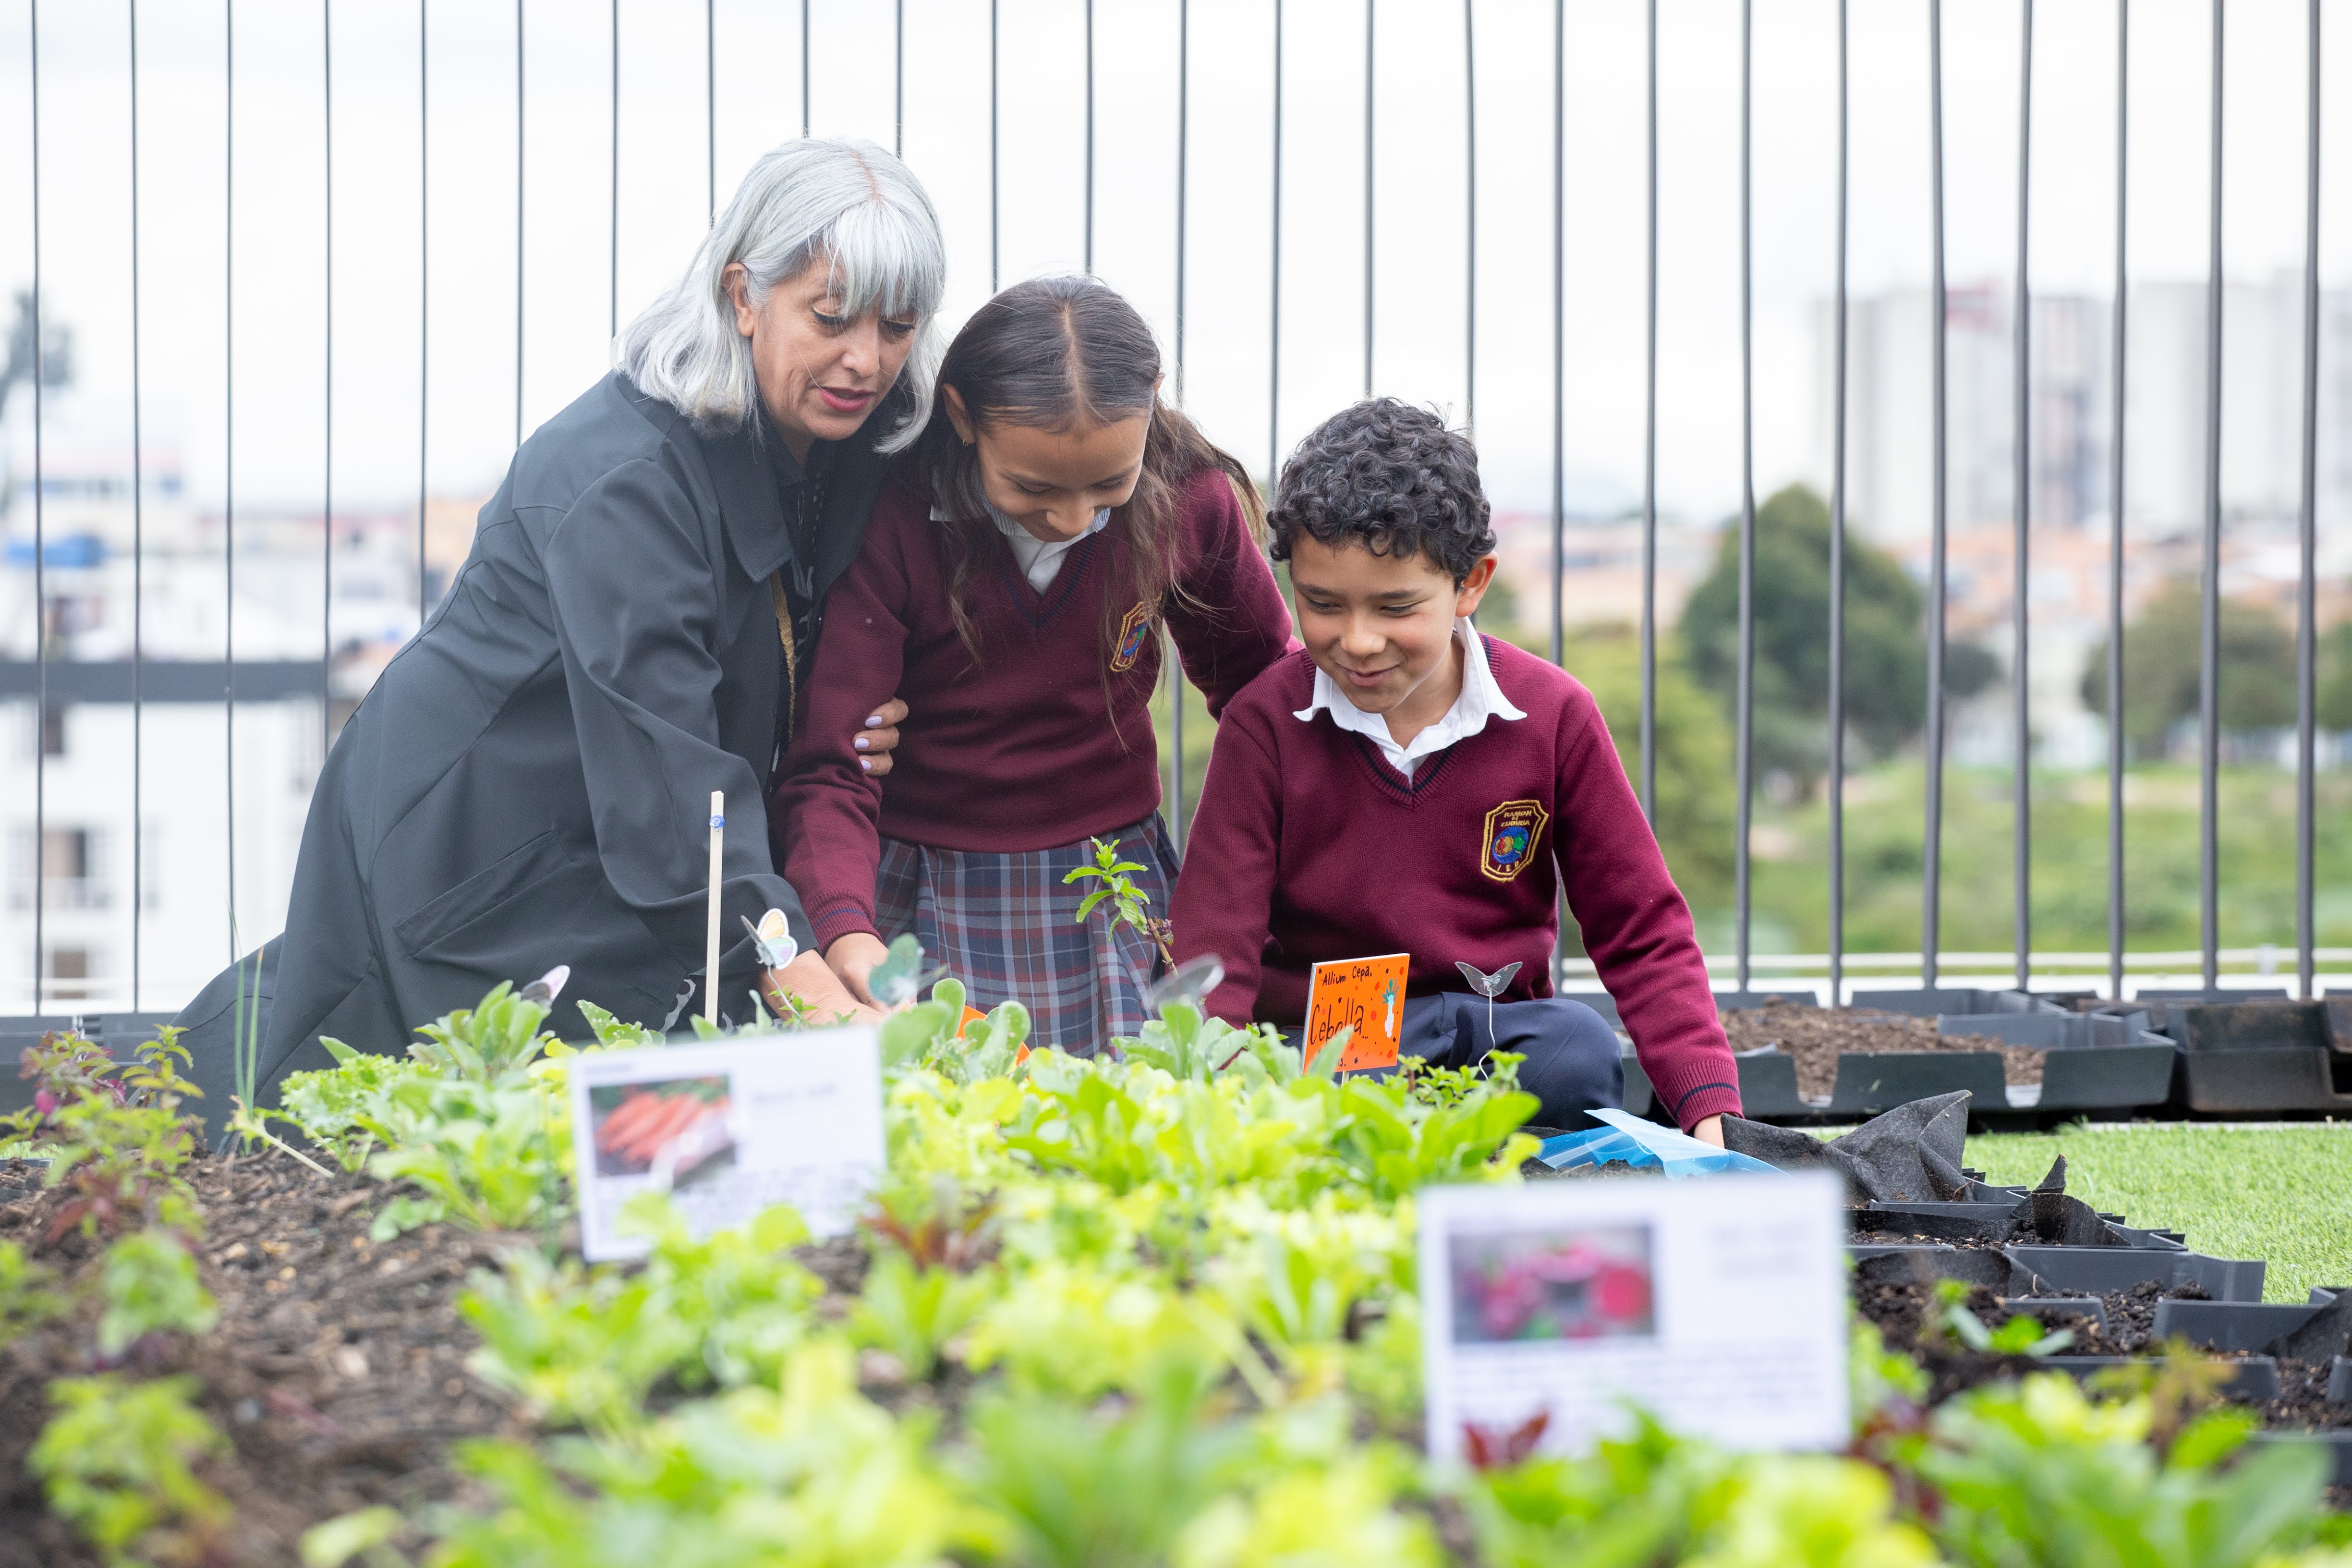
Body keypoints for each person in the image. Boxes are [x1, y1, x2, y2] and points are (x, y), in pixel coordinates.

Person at [173, 138, 946, 1118]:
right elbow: (672, 780)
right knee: (363, 1090)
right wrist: (806, 984)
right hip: (479, 840)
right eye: (831, 317)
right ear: (743, 295)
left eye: (898, 326)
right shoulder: (628, 484)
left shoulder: (841, 439)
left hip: (615, 826)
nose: (866, 359)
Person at [1168, 399, 1742, 1142]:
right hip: (1335, 1039)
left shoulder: (1553, 714)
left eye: (1394, 606)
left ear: (1470, 582)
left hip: (1492, 1025)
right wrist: (1212, 1097)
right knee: (1331, 1083)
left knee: (1577, 1049)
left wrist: (1708, 1107)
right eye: (1322, 603)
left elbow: (1641, 926)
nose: (1358, 640)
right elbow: (1214, 946)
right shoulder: (1265, 724)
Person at [770, 276, 1294, 1052]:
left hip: (1109, 878)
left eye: (1108, 486)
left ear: (1151, 402)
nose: (1073, 518)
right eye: (1031, 488)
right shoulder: (896, 514)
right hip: (920, 881)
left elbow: (1266, 696)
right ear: (961, 416)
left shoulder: (1189, 499)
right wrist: (848, 931)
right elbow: (832, 763)